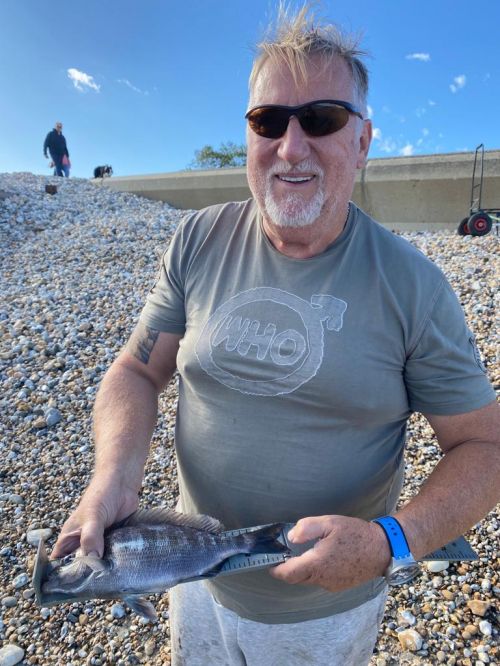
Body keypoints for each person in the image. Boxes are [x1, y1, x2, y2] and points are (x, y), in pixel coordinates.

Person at [51, 6, 499, 665]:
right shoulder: (199, 240)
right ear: (250, 134)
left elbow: (485, 445)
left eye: (321, 119)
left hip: (319, 615)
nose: (292, 146)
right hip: (192, 578)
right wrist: (114, 476)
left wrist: (392, 542)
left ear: (362, 141)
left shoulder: (414, 288)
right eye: (270, 121)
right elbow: (139, 371)